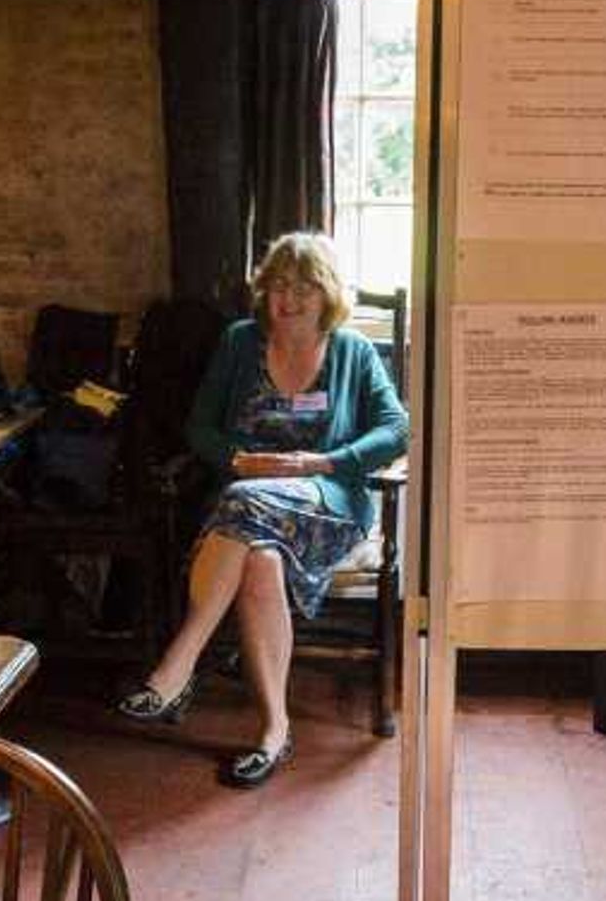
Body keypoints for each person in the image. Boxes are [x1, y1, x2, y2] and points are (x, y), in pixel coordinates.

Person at [120, 231, 407, 787]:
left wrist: (323, 463)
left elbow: (397, 429)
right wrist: (236, 457)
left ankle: (179, 663)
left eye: (304, 287)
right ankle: (274, 730)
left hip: (325, 504)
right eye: (278, 286)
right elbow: (198, 427)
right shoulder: (238, 342)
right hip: (249, 511)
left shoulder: (352, 350)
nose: (290, 300)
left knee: (241, 501)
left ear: (326, 294)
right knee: (260, 558)